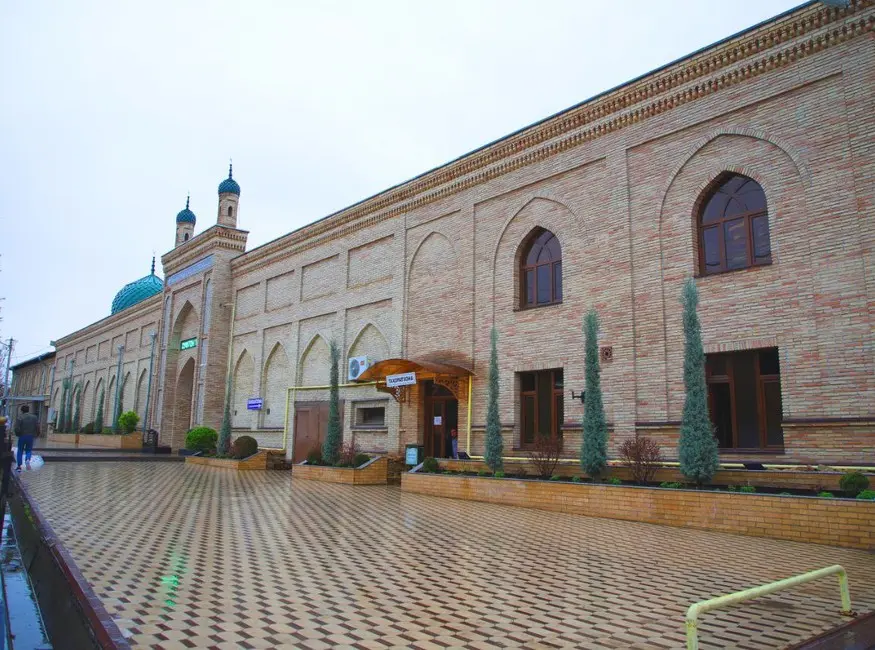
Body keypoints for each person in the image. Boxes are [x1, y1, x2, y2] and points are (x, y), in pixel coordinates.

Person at [14, 404, 39, 471]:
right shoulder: (34, 417)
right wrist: (37, 434)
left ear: (21, 410)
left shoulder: (20, 417)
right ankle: (27, 459)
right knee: (29, 450)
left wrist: (17, 434)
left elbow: (17, 428)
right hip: (30, 436)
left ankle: (19, 466)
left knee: (20, 450)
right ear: (28, 410)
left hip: (22, 436)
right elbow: (37, 426)